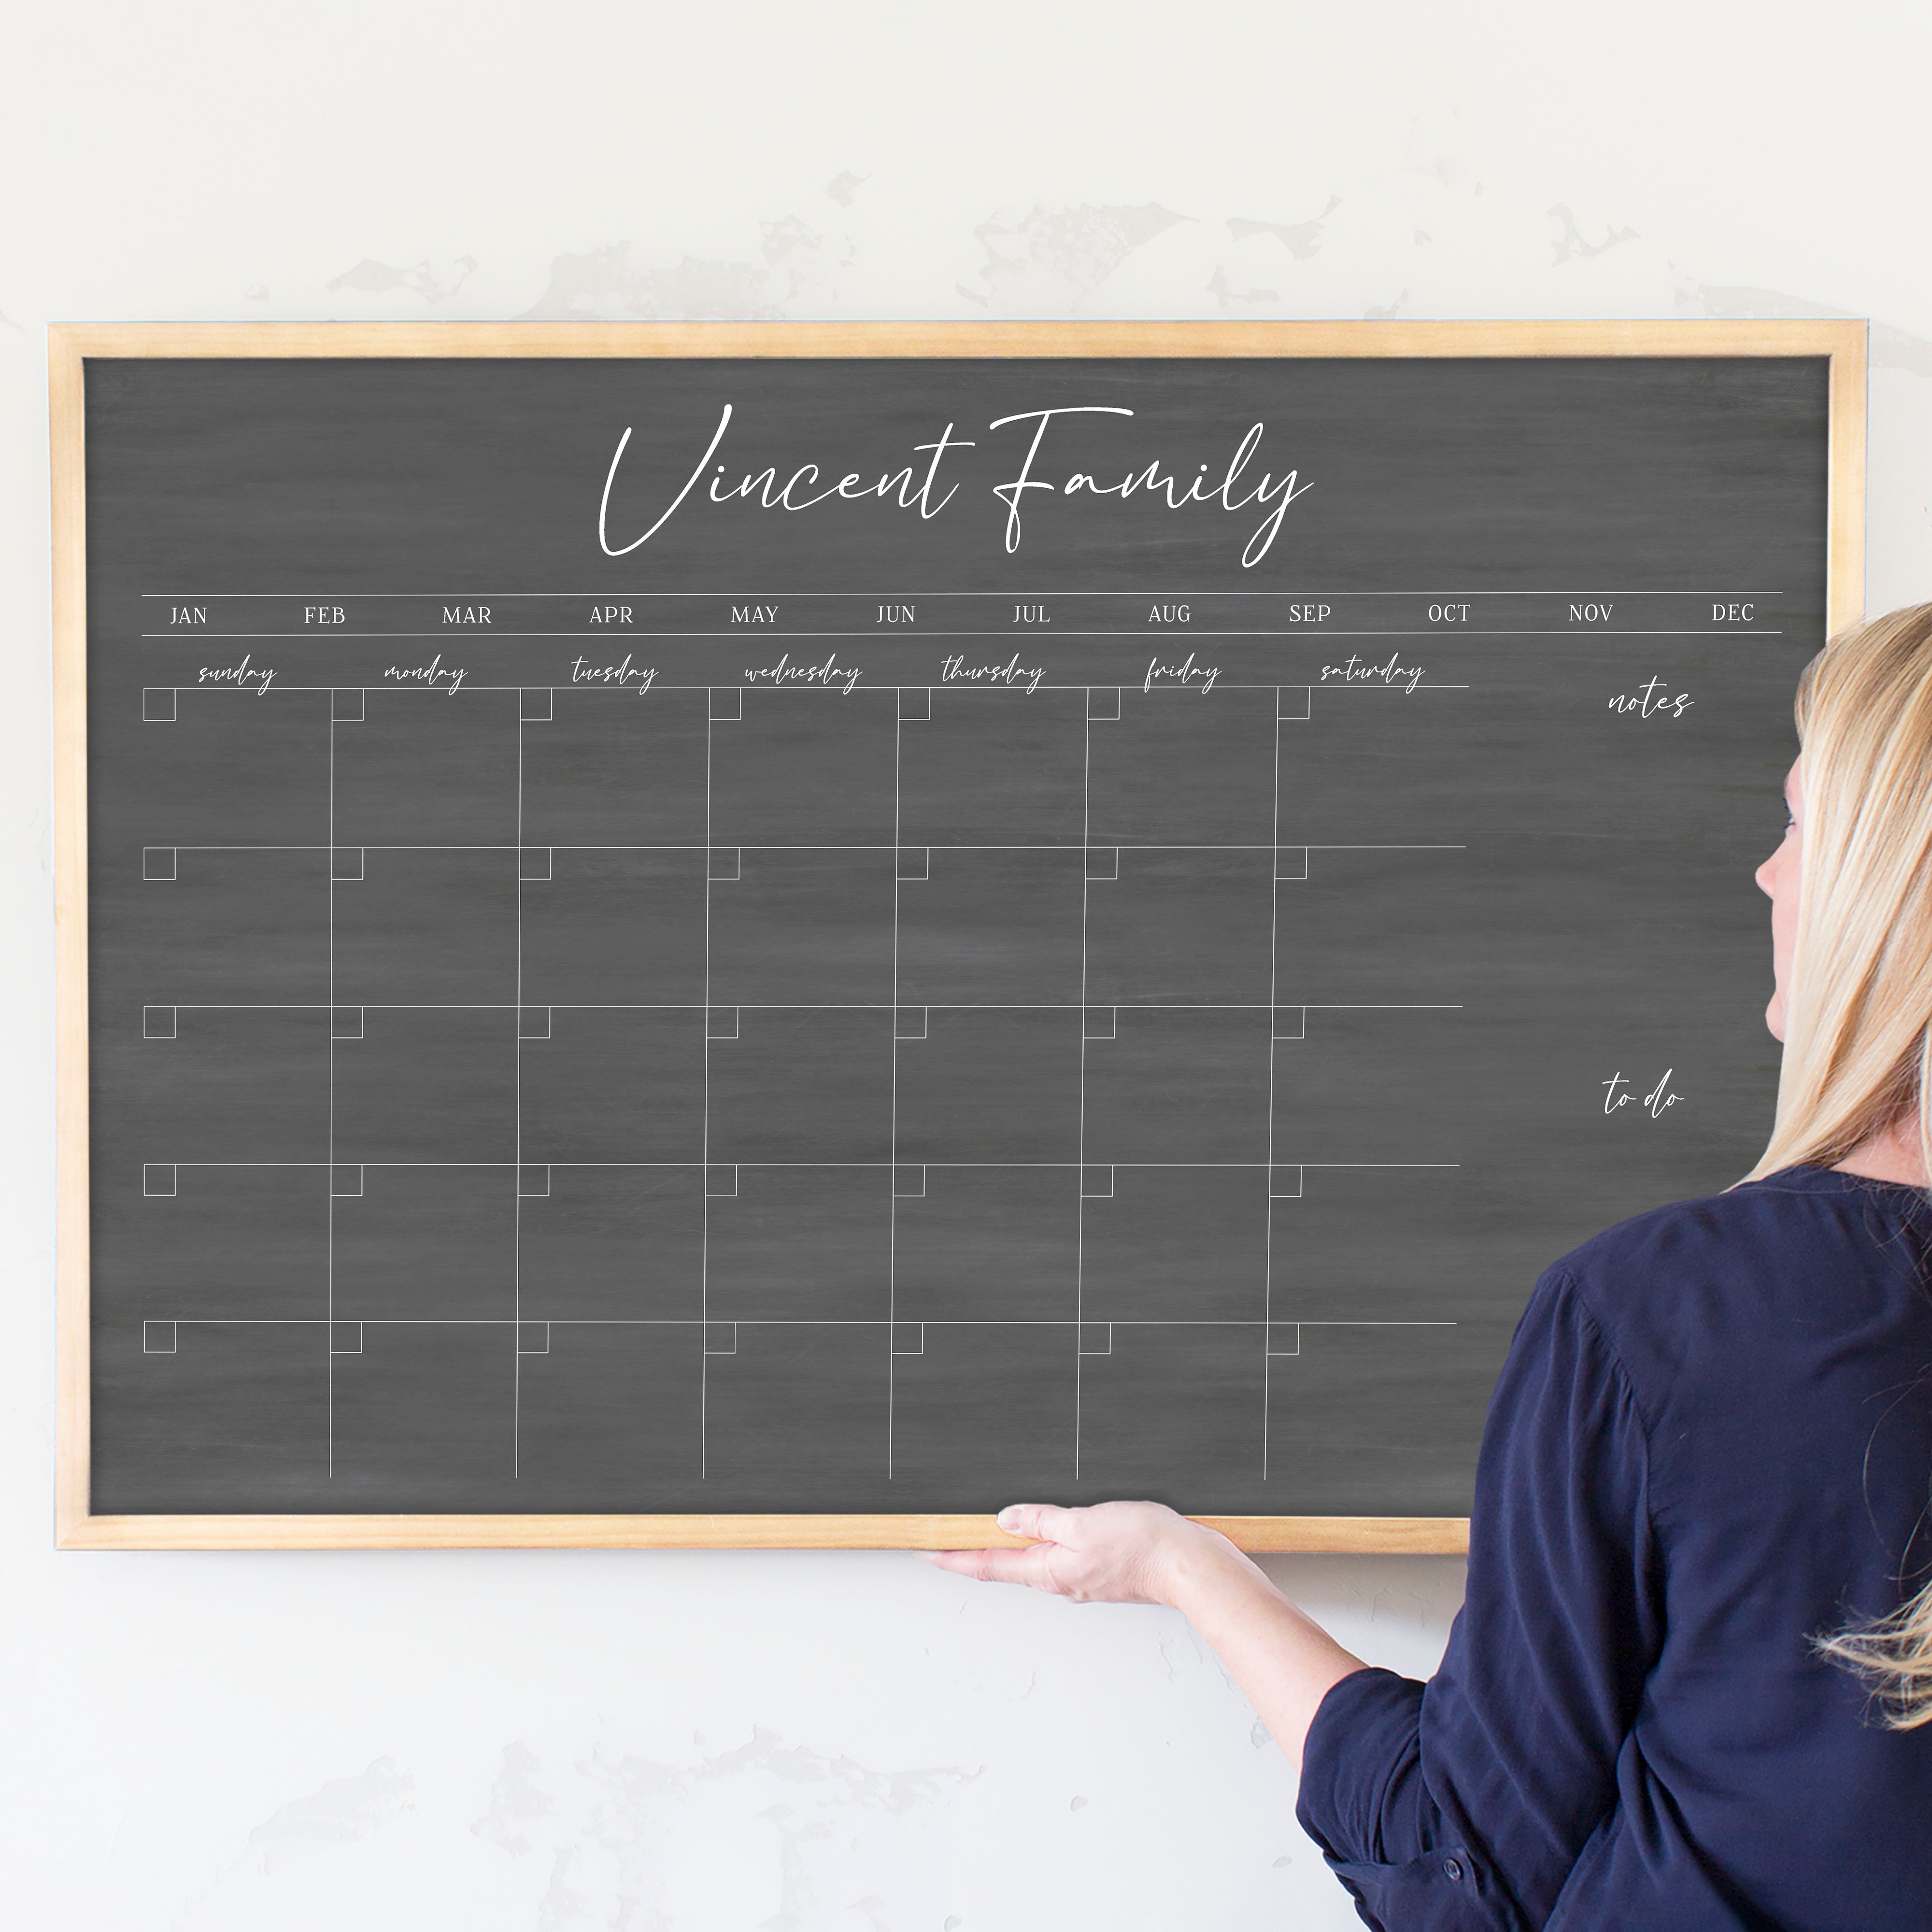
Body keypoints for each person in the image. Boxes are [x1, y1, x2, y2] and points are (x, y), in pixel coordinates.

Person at [926, 604, 1932, 1930]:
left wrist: (1186, 1571)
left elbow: (1473, 1877)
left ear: (1886, 886)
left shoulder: (1666, 1318)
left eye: (1800, 826)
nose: (1764, 875)